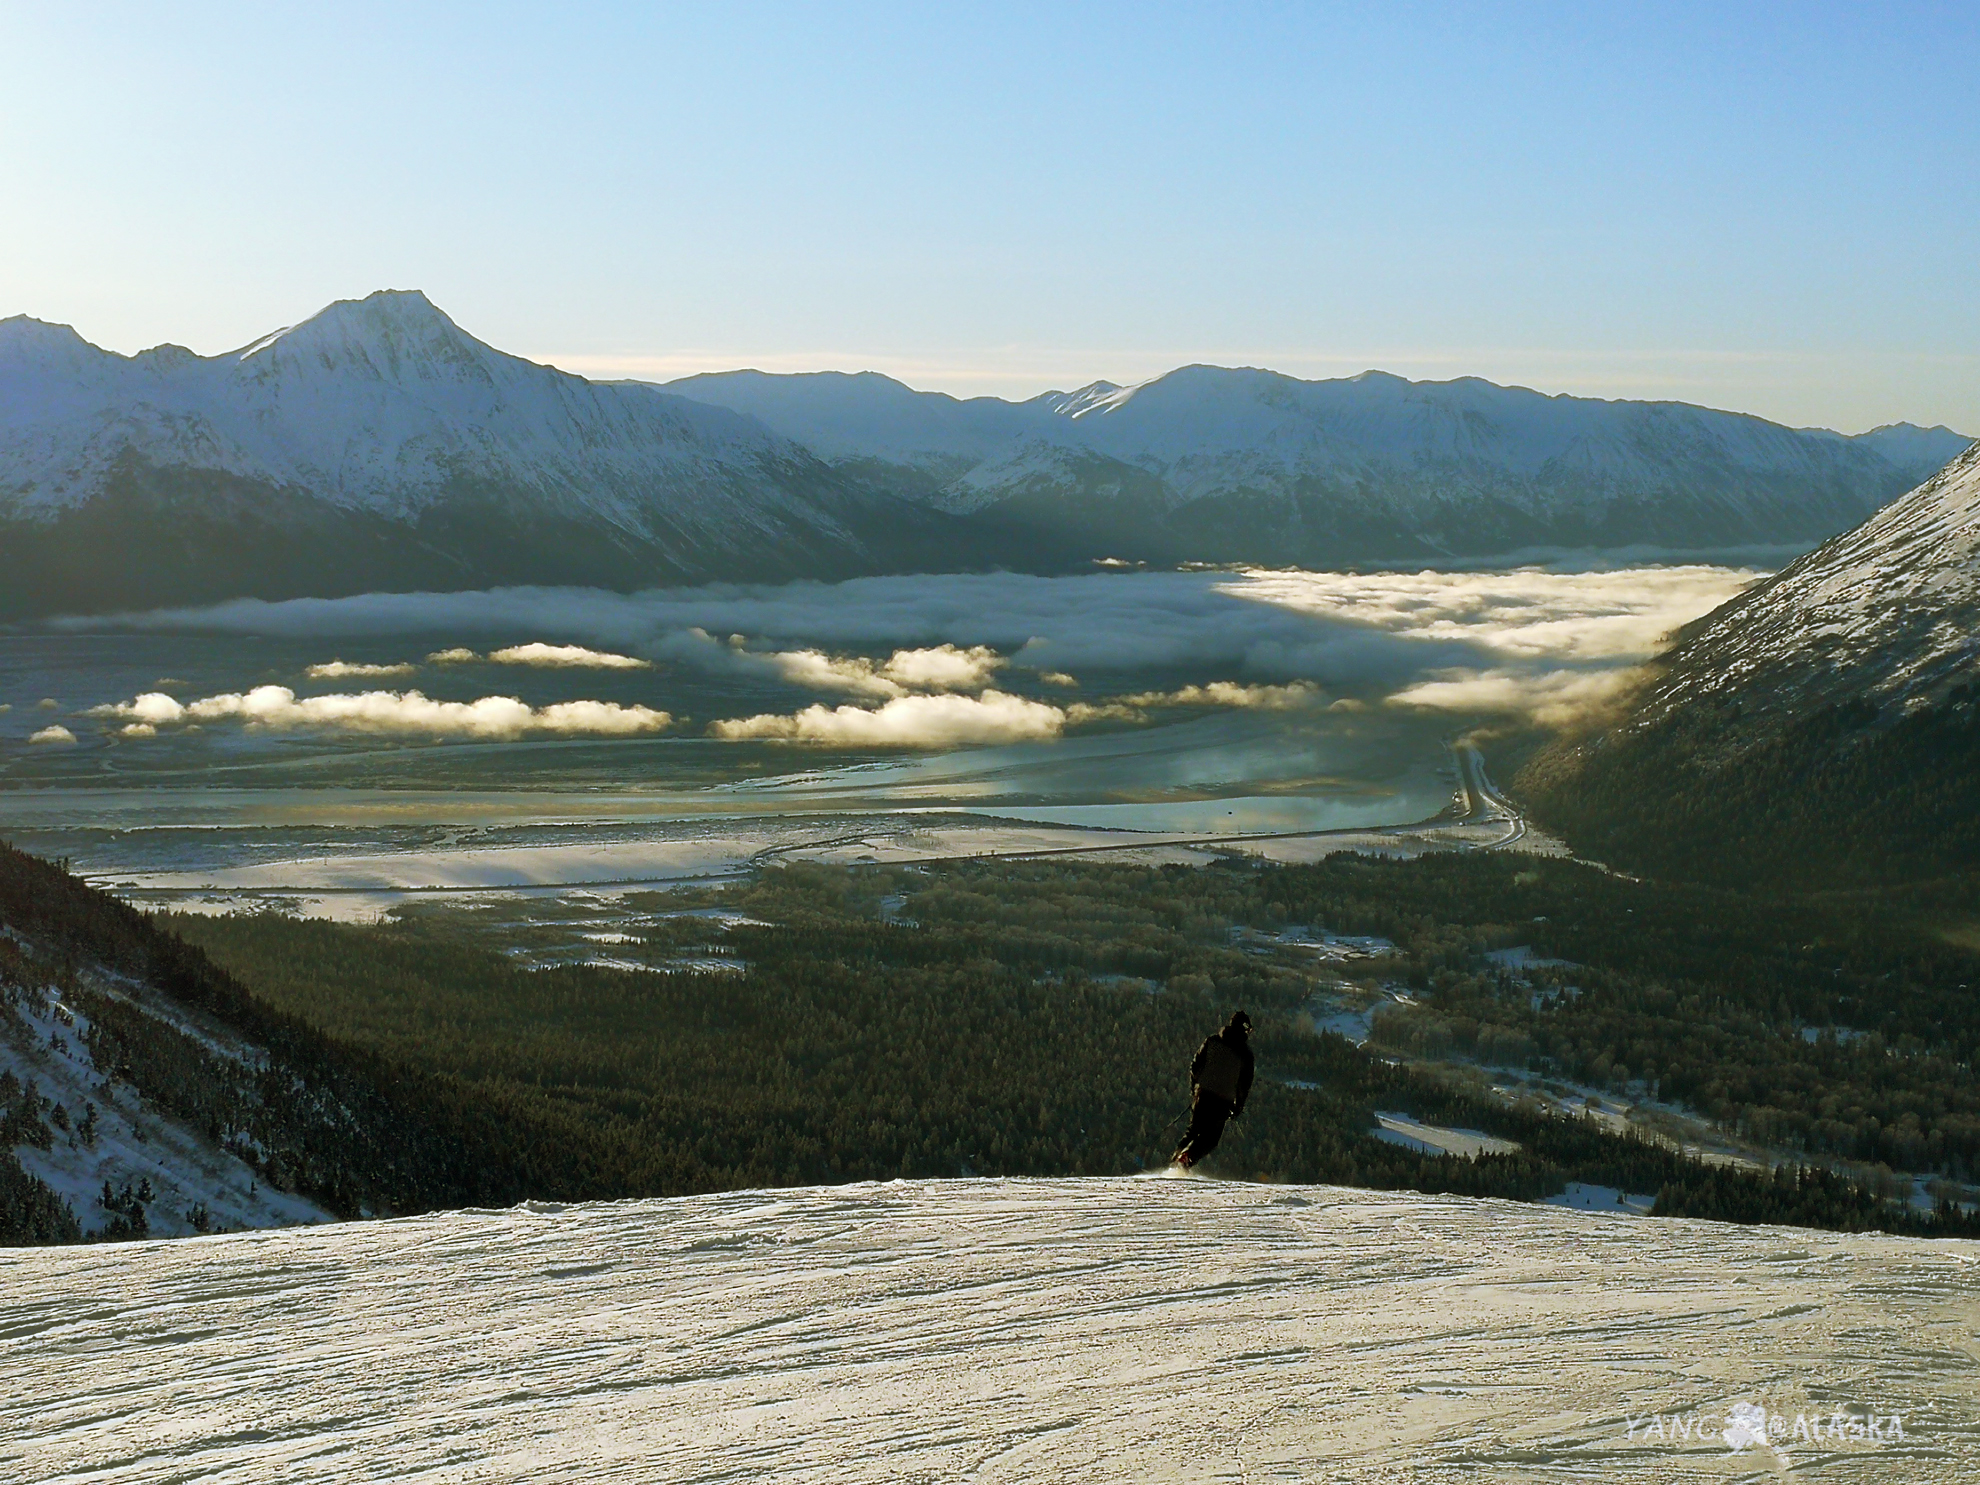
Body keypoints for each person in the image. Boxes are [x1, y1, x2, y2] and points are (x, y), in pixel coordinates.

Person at [1172, 1010, 1254, 1168]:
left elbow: (1196, 1066)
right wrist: (1238, 1106)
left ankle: (1174, 1160)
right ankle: (1187, 1159)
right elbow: (1244, 1084)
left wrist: (1195, 1088)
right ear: (1245, 1030)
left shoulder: (1212, 1041)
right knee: (1210, 1139)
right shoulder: (1246, 1054)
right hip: (1223, 1101)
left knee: (1193, 1130)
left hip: (1202, 1094)